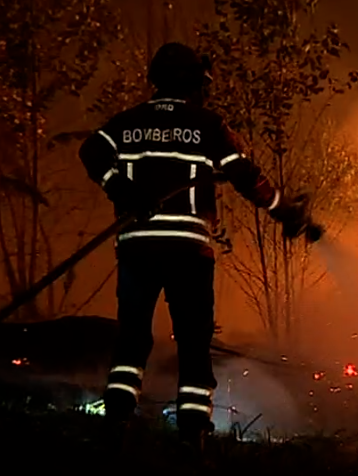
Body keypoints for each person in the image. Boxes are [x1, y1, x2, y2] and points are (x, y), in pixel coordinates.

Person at [78, 42, 311, 450]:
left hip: (137, 248)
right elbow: (244, 174)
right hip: (188, 252)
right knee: (193, 341)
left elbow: (91, 152)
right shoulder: (206, 125)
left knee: (132, 337)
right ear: (192, 83)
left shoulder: (127, 123)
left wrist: (122, 189)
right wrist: (285, 210)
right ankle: (192, 435)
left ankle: (115, 422)